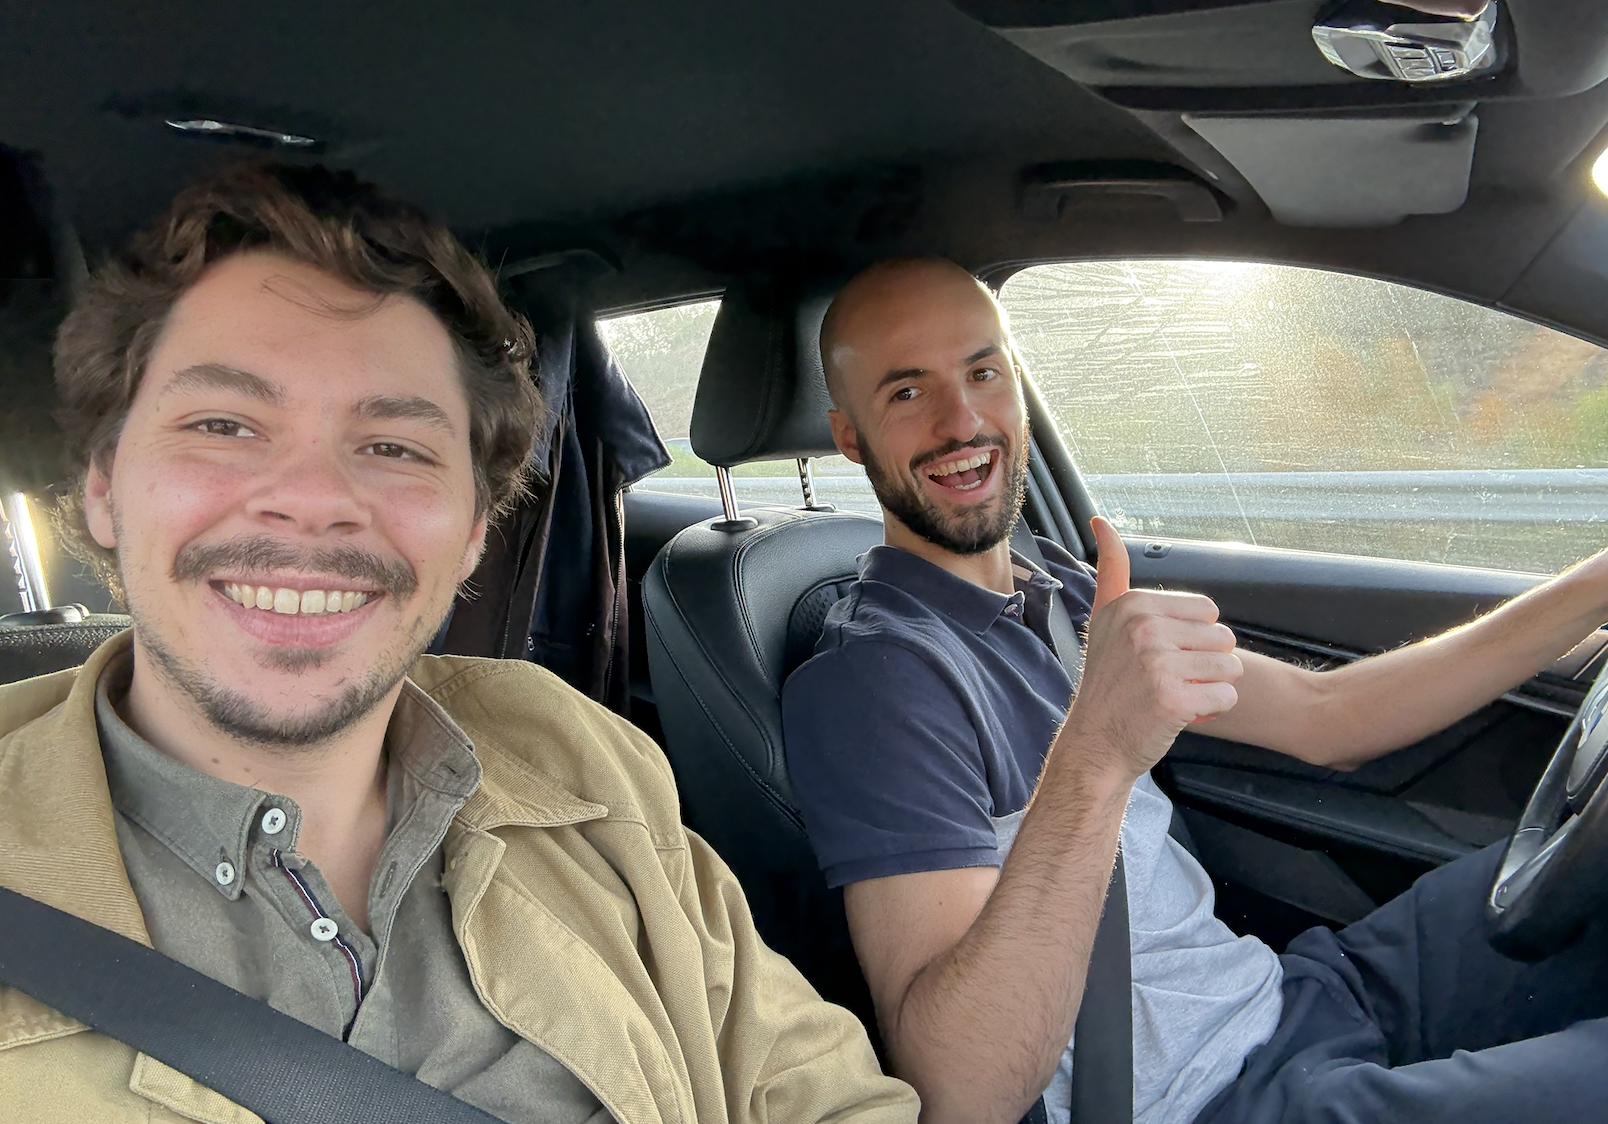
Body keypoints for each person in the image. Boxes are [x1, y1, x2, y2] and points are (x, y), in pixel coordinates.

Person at [0, 163, 916, 1124]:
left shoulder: (580, 760)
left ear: (478, 523)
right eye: (224, 424)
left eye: (394, 445)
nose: (314, 500)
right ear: (103, 485)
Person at [781, 257, 1608, 1124]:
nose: (963, 420)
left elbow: (1333, 715)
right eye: (907, 394)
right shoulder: (870, 681)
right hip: (1208, 1103)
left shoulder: (1061, 591)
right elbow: (962, 1092)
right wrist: (1098, 747)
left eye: (983, 372)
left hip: (1303, 998)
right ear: (848, 436)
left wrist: (1593, 586)